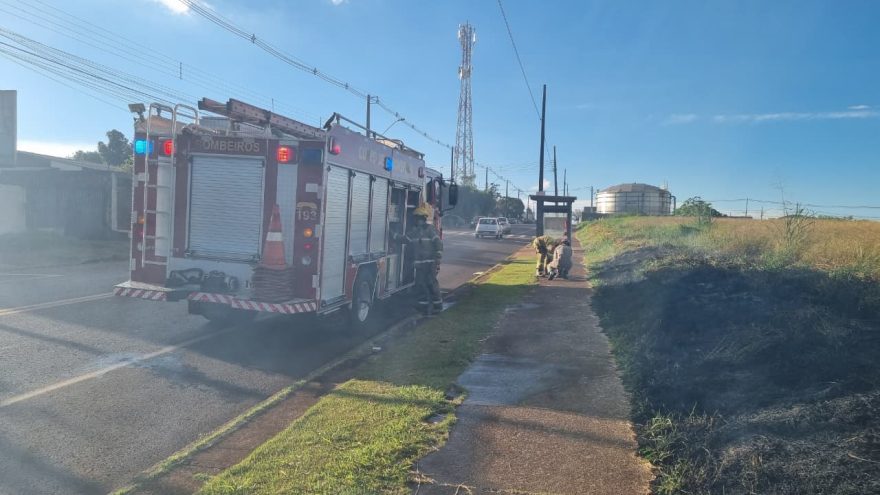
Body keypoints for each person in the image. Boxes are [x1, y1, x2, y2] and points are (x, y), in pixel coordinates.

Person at [396, 203, 443, 313]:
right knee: (420, 285)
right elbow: (405, 239)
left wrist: (438, 258)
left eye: (417, 218)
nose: (416, 220)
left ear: (422, 218)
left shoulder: (430, 230)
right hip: (420, 265)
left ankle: (437, 307)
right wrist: (393, 235)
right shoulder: (415, 231)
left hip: (430, 264)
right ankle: (423, 307)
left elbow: (438, 244)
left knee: (432, 284)